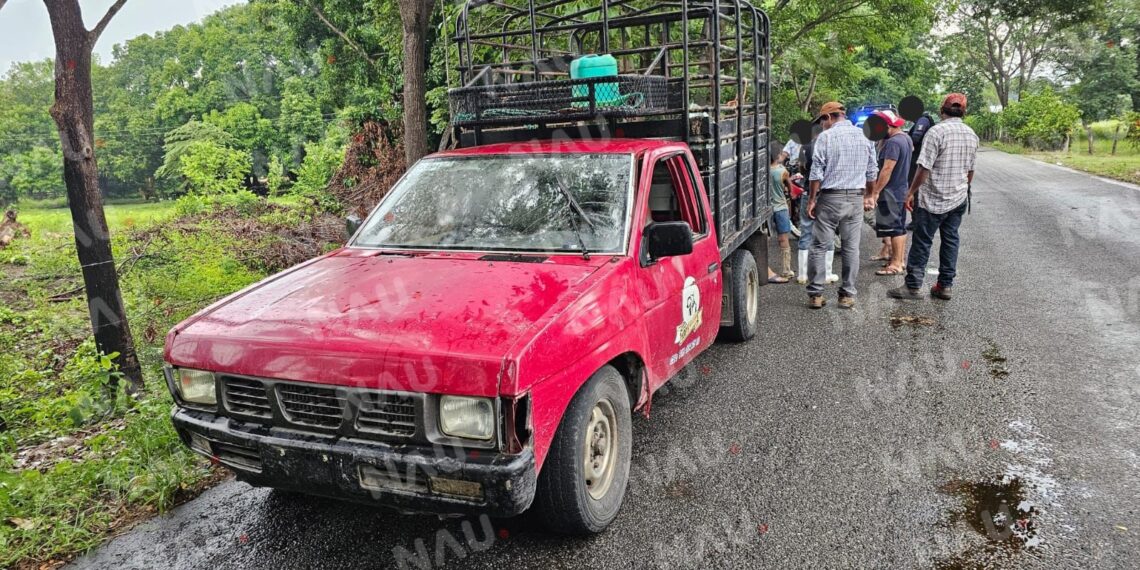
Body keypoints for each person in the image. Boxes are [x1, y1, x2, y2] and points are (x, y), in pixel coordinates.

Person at [888, 93, 979, 301]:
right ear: (964, 111)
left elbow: (923, 169)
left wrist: (910, 193)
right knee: (950, 240)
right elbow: (970, 171)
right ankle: (944, 286)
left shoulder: (936, 132)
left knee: (922, 241)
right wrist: (962, 188)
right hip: (958, 198)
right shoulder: (971, 134)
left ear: (942, 110)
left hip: (932, 199)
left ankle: (913, 286)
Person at [806, 101, 877, 309]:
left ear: (829, 117)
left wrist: (812, 199)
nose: (821, 125)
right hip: (855, 197)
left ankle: (816, 295)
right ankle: (846, 295)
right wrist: (870, 195)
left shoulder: (825, 138)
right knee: (851, 247)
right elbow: (872, 170)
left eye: (821, 121)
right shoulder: (865, 135)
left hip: (829, 198)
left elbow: (816, 172)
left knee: (819, 246)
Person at [866, 110, 912, 276]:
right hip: (900, 190)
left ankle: (897, 263)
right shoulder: (905, 138)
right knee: (897, 227)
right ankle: (895, 257)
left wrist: (876, 191)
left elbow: (887, 169)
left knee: (895, 229)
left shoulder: (893, 143)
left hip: (891, 192)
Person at [795, 131, 839, 285]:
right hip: (829, 194)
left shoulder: (805, 146)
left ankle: (802, 274)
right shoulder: (833, 145)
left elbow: (801, 167)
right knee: (828, 231)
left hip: (809, 191)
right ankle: (827, 274)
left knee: (806, 231)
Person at [768, 147, 795, 281]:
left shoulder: (763, 172)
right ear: (777, 156)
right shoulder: (783, 171)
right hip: (781, 208)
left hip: (768, 209)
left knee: (766, 239)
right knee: (783, 239)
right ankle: (786, 269)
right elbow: (789, 187)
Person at [907, 111, 935, 183]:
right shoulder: (922, 119)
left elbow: (915, 138)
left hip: (918, 155)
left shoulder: (923, 120)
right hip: (920, 154)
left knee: (912, 179)